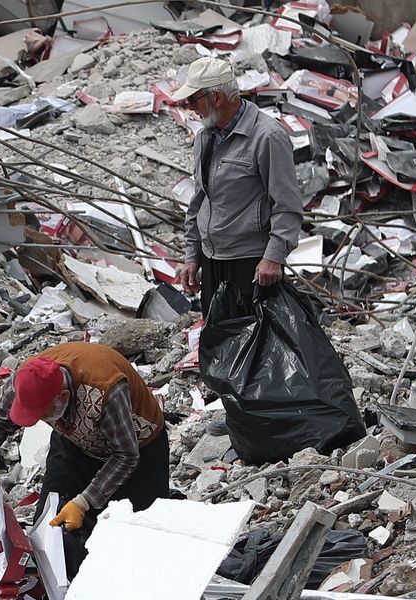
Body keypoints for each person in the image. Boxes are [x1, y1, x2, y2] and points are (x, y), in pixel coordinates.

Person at [168, 56, 306, 437]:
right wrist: (191, 254)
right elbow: (200, 201)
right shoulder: (206, 138)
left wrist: (274, 256)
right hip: (215, 258)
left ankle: (265, 419)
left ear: (215, 97)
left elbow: (288, 204)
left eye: (193, 101)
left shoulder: (266, 136)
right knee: (225, 339)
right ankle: (238, 415)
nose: (190, 110)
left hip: (253, 261)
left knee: (260, 343)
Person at [0, 342, 168, 576]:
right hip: (74, 442)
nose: (39, 420)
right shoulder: (24, 382)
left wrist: (84, 501)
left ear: (63, 396)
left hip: (138, 448)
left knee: (137, 532)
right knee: (49, 523)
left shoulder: (106, 389)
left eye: (42, 414)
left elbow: (125, 456)